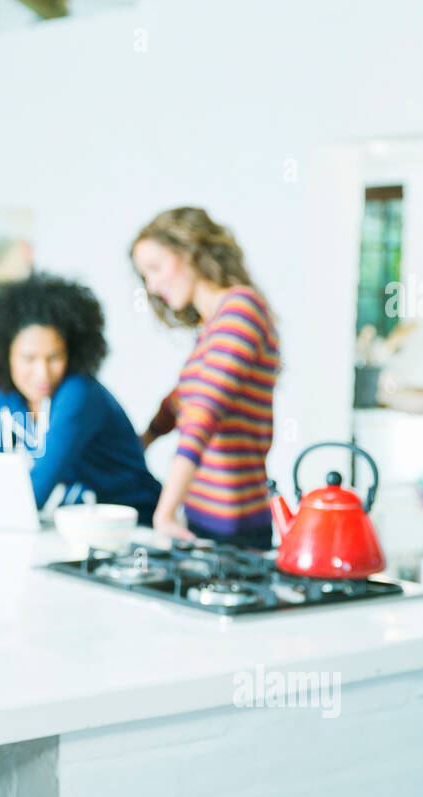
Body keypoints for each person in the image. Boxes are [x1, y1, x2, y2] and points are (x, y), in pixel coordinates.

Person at [130, 207, 281, 549]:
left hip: (236, 529)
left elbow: (202, 414)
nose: (152, 286)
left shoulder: (242, 310)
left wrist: (164, 513)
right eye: (145, 276)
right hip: (201, 521)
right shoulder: (211, 326)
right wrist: (141, 441)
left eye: (155, 268)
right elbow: (180, 401)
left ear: (190, 251)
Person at [0, 272, 162, 525]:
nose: (42, 373)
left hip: (134, 524)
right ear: (3, 356)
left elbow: (40, 485)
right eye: (28, 359)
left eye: (54, 357)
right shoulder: (8, 394)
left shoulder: (79, 393)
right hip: (79, 524)